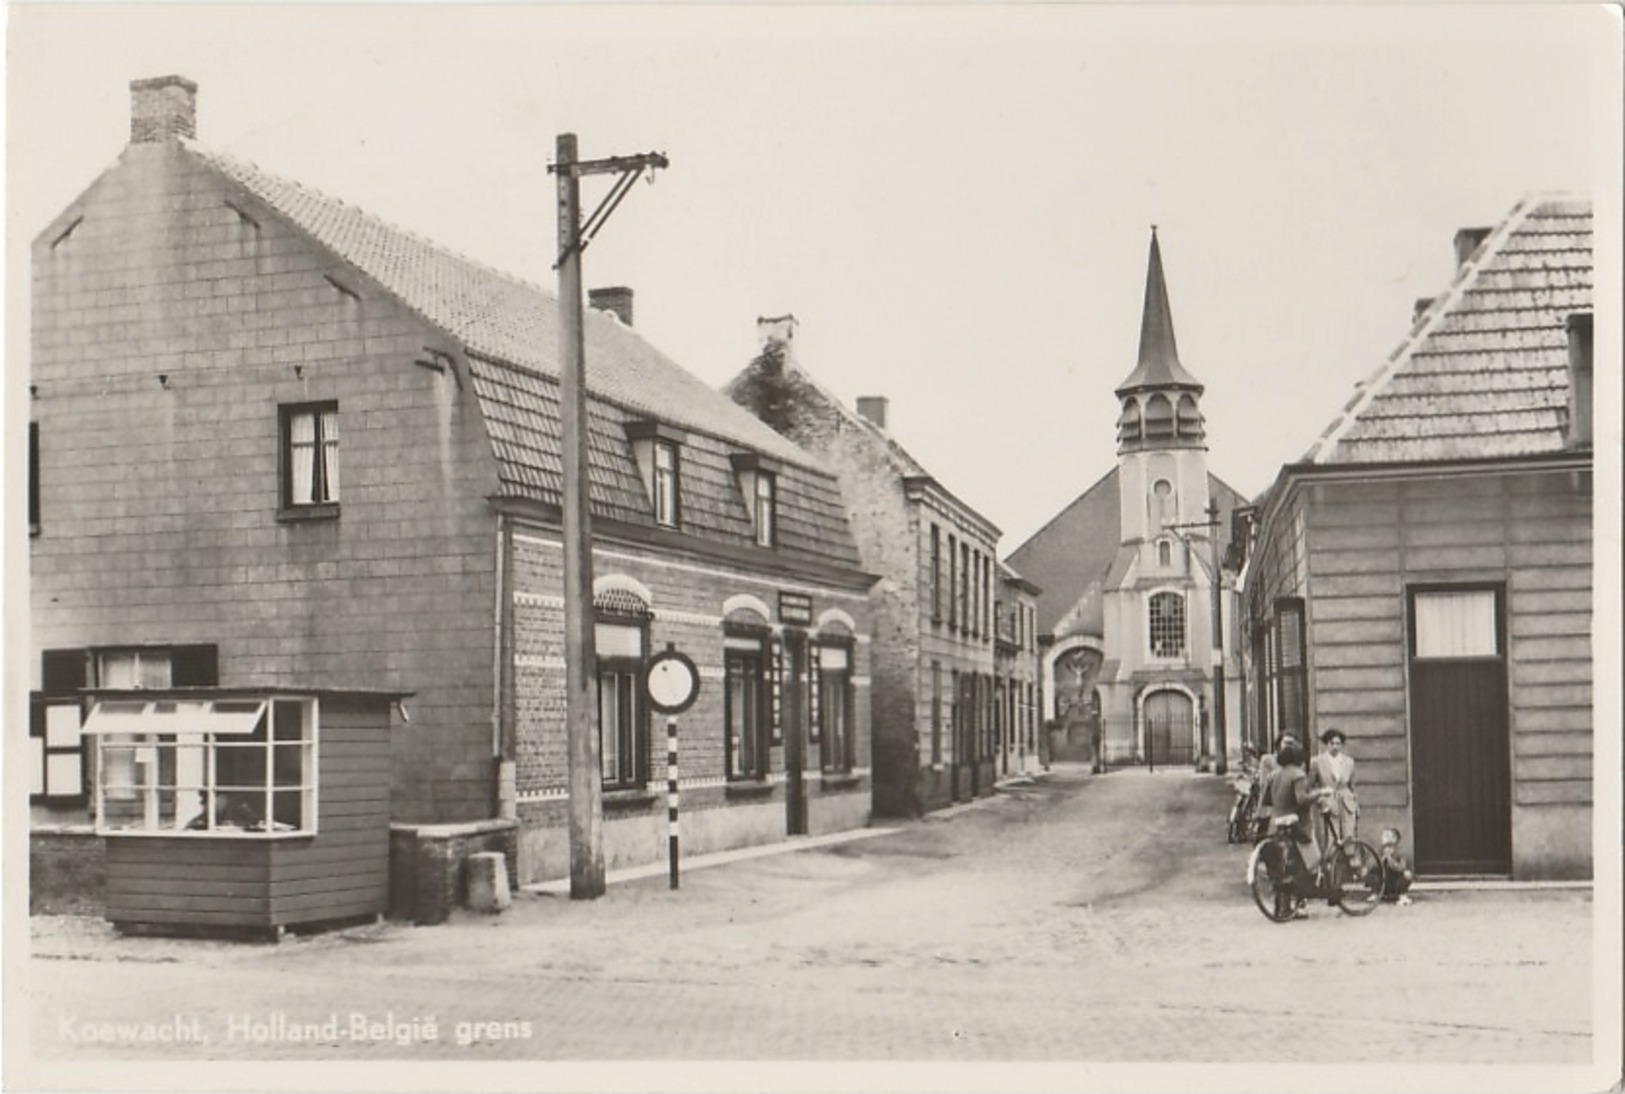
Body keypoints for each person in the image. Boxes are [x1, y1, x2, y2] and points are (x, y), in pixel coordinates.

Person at [1265, 738, 1334, 916]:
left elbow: (1267, 800)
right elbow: (1301, 799)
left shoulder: (1274, 774)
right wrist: (1321, 792)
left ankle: (1282, 907)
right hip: (1296, 824)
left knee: (1282, 866)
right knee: (1311, 861)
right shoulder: (1298, 774)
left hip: (1276, 823)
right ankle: (1298, 902)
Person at [1310, 727, 1359, 854]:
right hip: (1328, 802)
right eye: (1332, 743)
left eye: (1338, 743)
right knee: (1331, 836)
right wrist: (1320, 799)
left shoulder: (1349, 762)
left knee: (1349, 834)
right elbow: (1311, 786)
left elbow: (1353, 786)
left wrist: (1355, 804)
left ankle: (1349, 864)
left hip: (1346, 803)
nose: (1335, 746)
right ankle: (1331, 864)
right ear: (1327, 744)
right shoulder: (1317, 762)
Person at [1379, 827, 1415, 905]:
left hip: (1396, 879)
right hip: (1385, 879)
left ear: (1394, 839)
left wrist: (1390, 860)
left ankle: (1402, 895)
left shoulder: (1400, 851)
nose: (1383, 838)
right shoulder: (1381, 850)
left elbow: (1401, 867)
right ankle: (1378, 893)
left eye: (1387, 836)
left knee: (1407, 874)